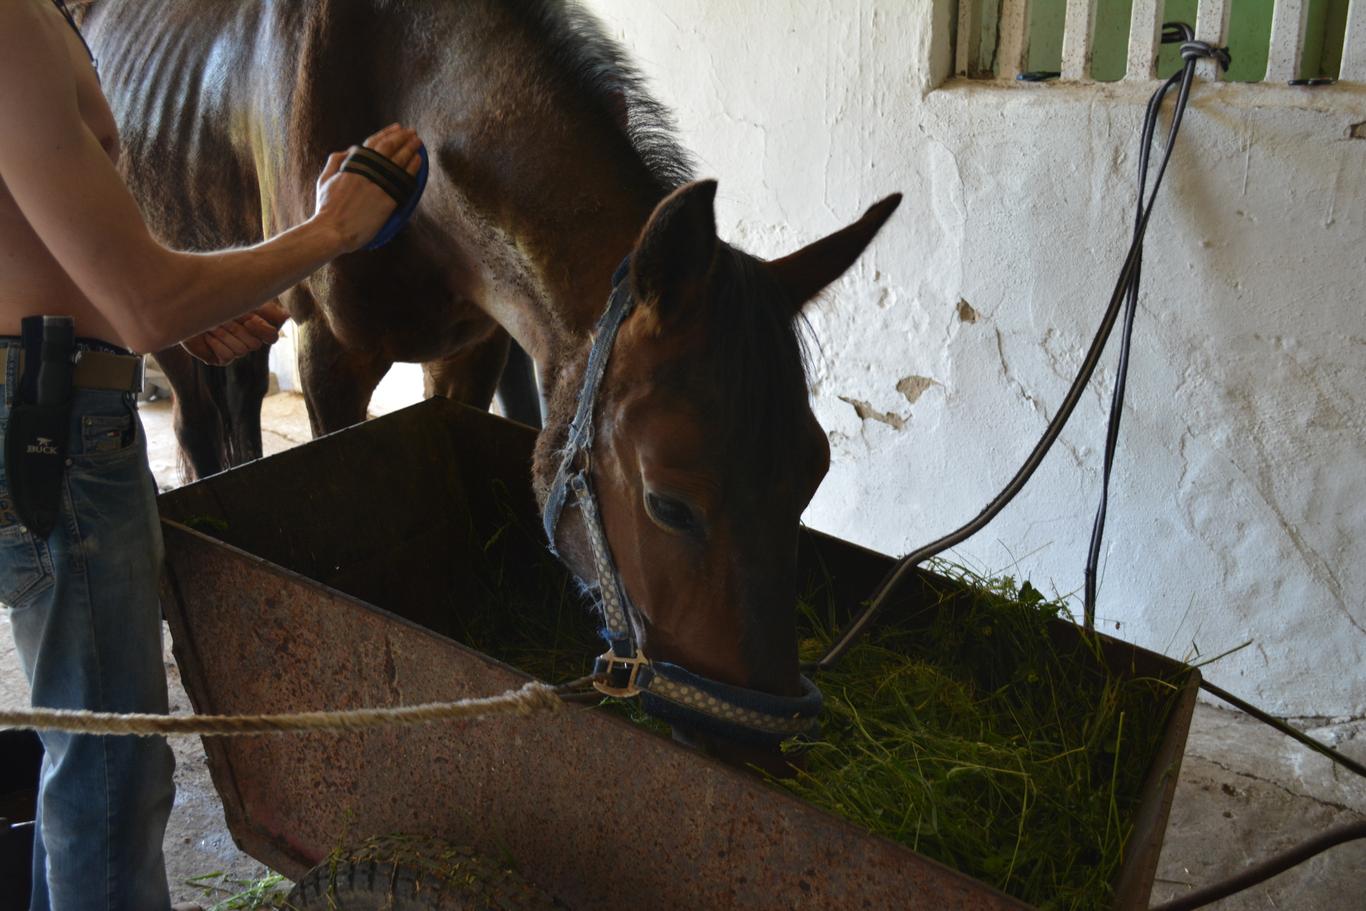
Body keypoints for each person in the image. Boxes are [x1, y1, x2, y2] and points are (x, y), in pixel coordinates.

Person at [0, 2, 424, 909]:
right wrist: (332, 230)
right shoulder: (12, 28)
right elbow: (149, 303)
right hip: (54, 426)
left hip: (40, 392)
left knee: (75, 752)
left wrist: (158, 306)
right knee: (112, 776)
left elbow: (61, 265)